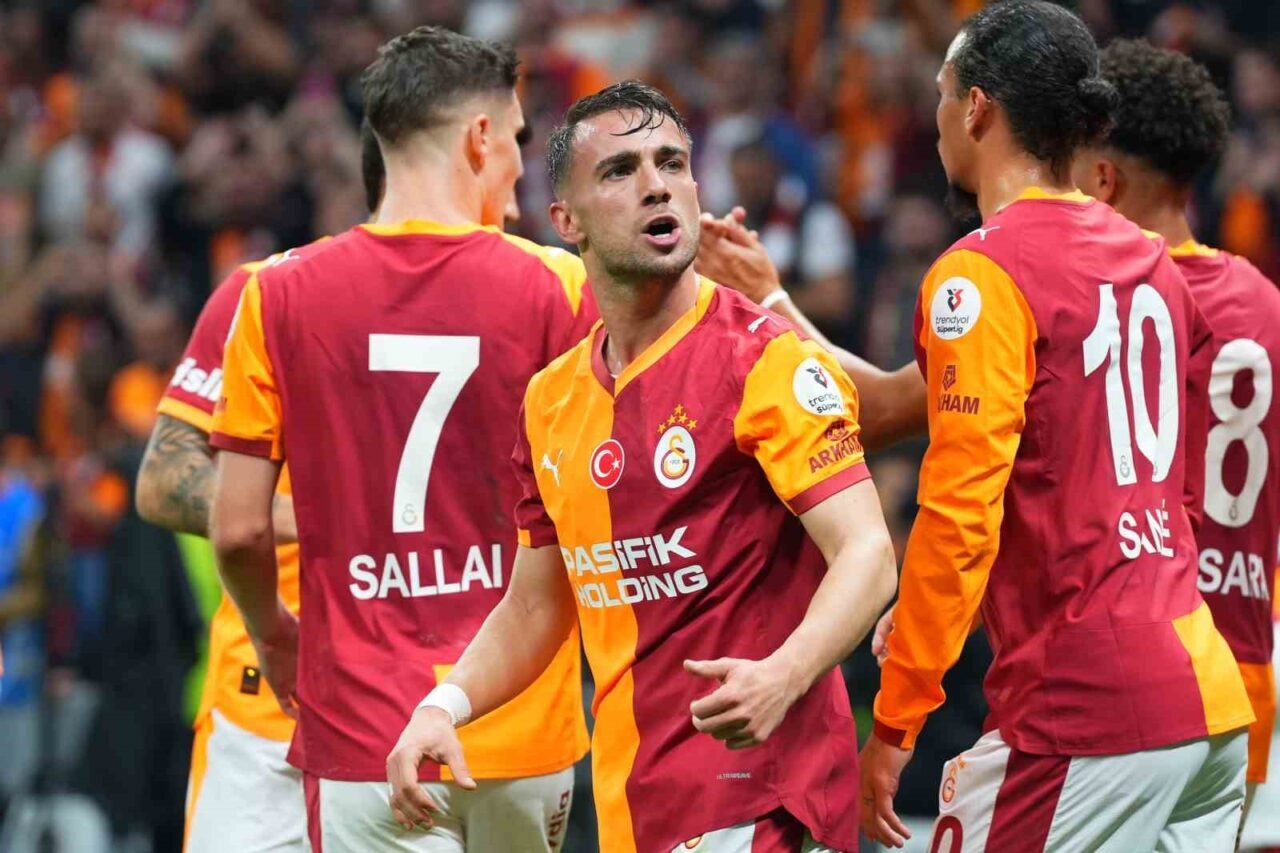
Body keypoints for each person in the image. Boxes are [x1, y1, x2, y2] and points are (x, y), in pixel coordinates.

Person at [385, 80, 897, 853]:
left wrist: (785, 674)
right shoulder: (551, 400)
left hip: (763, 802)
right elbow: (535, 606)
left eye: (671, 163)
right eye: (620, 171)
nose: (656, 184)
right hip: (637, 807)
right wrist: (443, 706)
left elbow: (867, 551)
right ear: (567, 221)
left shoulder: (766, 360)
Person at [858, 3, 1254, 850]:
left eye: (942, 94)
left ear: (976, 109)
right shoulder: (1150, 259)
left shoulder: (982, 273)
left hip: (1087, 712)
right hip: (1205, 701)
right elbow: (1161, 489)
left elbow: (959, 514)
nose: (936, 116)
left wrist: (894, 720)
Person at [209, 27, 603, 852]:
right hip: (523, 729)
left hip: (364, 735)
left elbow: (238, 528)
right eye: (518, 138)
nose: (521, 166)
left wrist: (274, 632)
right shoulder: (561, 287)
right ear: (480, 137)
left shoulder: (275, 295)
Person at [134, 119, 384, 853]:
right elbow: (163, 479)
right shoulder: (261, 293)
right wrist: (313, 515)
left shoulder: (511, 294)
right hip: (269, 705)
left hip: (430, 705)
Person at [1072, 37, 1280, 834]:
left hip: (1139, 680)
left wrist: (773, 302)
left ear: (1103, 174)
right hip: (1246, 673)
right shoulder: (1263, 301)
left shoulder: (1109, 299)